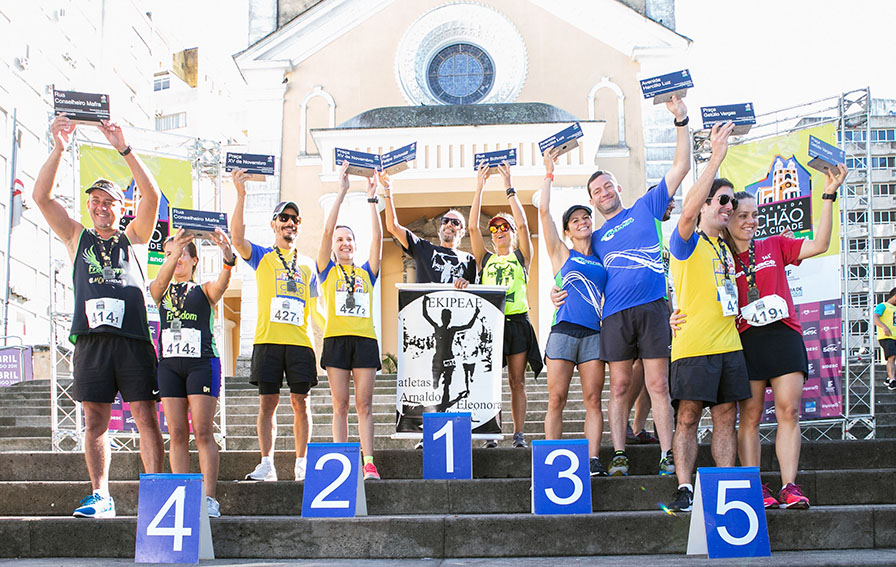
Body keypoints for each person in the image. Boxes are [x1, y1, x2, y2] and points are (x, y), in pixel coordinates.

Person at [33, 114, 164, 517]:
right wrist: (59, 148)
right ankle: (101, 494)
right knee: (94, 419)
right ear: (88, 206)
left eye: (109, 202)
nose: (101, 207)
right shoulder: (76, 236)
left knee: (144, 415)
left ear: (120, 207)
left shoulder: (134, 238)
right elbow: (41, 197)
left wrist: (124, 147)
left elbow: (153, 197)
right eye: (95, 202)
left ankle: (158, 491)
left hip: (133, 341)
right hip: (91, 340)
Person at [552, 96, 690, 475]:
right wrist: (555, 291)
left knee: (658, 385)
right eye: (597, 191)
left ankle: (666, 455)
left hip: (653, 308)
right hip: (613, 317)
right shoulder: (593, 237)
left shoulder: (647, 206)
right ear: (592, 201)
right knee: (619, 388)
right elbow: (571, 267)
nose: (604, 192)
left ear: (617, 189)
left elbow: (681, 165)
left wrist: (681, 121)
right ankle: (620, 454)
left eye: (608, 185)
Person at [712, 165, 845, 509]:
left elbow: (819, 244)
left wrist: (828, 195)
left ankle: (789, 486)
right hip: (745, 340)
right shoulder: (720, 255)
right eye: (742, 215)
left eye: (754, 215)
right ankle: (755, 487)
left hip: (783, 335)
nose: (750, 221)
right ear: (727, 218)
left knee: (790, 410)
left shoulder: (774, 244)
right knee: (751, 415)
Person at [665, 121, 744, 512]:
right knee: (689, 417)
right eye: (723, 201)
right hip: (693, 346)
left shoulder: (726, 250)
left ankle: (726, 488)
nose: (729, 207)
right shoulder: (686, 241)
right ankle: (684, 487)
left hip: (730, 345)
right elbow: (688, 208)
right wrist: (715, 157)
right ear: (707, 206)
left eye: (732, 202)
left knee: (727, 416)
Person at [231, 168, 318, 482]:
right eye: (283, 219)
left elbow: (316, 305)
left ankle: (302, 463)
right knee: (267, 402)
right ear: (273, 224)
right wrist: (241, 194)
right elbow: (237, 239)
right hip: (267, 340)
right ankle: (267, 463)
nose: (289, 223)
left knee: (301, 402)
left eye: (294, 219)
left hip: (300, 342)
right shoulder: (262, 256)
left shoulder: (307, 264)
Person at [382, 175, 477, 449]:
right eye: (445, 220)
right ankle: (428, 434)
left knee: (453, 384)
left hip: (457, 338)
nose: (449, 225)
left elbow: (476, 298)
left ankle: (456, 433)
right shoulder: (423, 249)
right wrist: (387, 190)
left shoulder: (469, 261)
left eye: (455, 222)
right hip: (427, 332)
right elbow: (393, 226)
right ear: (439, 227)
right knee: (428, 384)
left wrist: (466, 286)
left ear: (462, 231)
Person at [150, 228, 235, 518]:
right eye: (170, 253)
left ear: (195, 260)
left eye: (184, 253)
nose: (177, 259)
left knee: (202, 431)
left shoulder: (204, 291)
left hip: (201, 364)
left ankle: (209, 498)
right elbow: (157, 286)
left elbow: (223, 284)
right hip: (170, 366)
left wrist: (227, 256)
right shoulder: (159, 289)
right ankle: (180, 496)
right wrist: (174, 249)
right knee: (176, 432)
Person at [538, 148, 609, 474]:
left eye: (586, 218)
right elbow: (543, 212)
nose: (582, 222)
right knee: (557, 399)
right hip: (564, 332)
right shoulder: (561, 253)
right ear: (567, 230)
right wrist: (549, 173)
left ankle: (593, 459)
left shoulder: (604, 255)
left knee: (593, 400)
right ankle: (551, 459)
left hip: (594, 334)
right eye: (575, 220)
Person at [316, 163, 383, 480]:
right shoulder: (327, 270)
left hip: (364, 341)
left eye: (349, 240)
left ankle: (368, 461)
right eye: (340, 240)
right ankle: (341, 462)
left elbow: (378, 241)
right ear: (333, 246)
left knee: (364, 404)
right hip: (336, 340)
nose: (344, 243)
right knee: (339, 405)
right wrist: (341, 190)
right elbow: (327, 231)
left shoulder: (366, 273)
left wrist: (373, 200)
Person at [470, 162, 542, 448]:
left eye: (504, 227)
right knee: (489, 382)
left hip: (518, 322)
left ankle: (518, 433)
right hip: (491, 325)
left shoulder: (522, 256)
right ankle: (491, 432)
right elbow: (473, 227)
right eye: (495, 228)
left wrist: (508, 185)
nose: (499, 230)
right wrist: (479, 187)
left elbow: (524, 224)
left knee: (516, 381)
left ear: (512, 234)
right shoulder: (485, 259)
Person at [873, 288, 896, 391]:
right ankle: (892, 380)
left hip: (895, 336)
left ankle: (889, 378)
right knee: (892, 356)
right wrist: (883, 327)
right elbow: (875, 318)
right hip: (887, 337)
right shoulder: (883, 306)